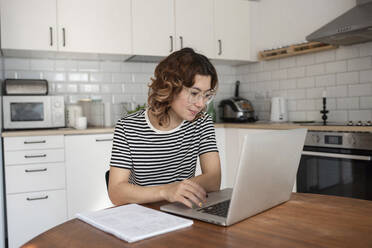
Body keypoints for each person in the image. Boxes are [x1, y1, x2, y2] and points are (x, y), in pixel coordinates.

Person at [108, 48, 221, 208]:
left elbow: (214, 179)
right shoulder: (128, 127)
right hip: (141, 213)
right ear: (171, 87)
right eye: (194, 93)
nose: (201, 104)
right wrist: (166, 191)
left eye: (206, 95)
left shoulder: (201, 123)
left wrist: (177, 191)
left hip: (181, 211)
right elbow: (116, 193)